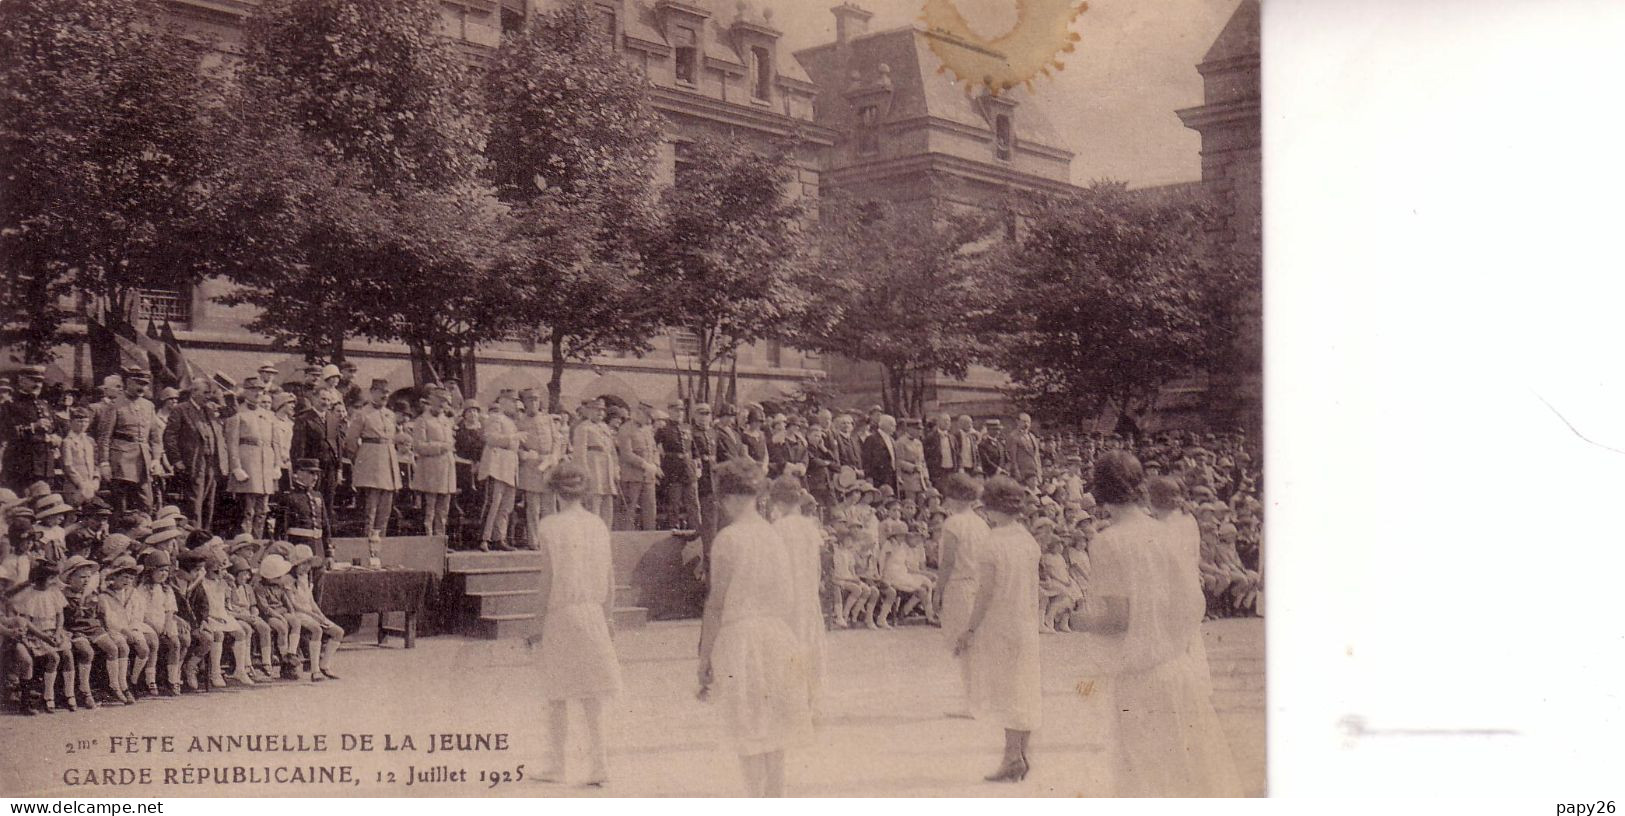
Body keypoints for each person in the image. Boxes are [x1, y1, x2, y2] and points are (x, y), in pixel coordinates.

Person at [1073, 451, 1243, 796]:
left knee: (1148, 780)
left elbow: (1118, 620)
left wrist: (1079, 621)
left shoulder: (1107, 541)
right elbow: (1194, 604)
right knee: (1191, 775)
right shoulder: (1167, 532)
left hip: (1140, 679)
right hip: (1179, 670)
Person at [697, 460, 812, 797]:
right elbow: (788, 596)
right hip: (778, 636)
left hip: (741, 637)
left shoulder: (727, 538)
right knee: (775, 725)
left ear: (729, 499)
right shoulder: (774, 536)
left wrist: (704, 658)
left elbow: (716, 605)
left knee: (747, 727)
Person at [528, 463, 622, 786]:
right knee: (593, 694)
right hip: (594, 613)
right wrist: (607, 616)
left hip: (562, 614)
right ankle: (601, 766)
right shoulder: (598, 524)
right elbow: (610, 579)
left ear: (554, 491)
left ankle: (557, 765)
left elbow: (547, 579)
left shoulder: (549, 526)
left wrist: (536, 624)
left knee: (557, 693)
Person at [952, 474, 1041, 783]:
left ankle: (1012, 757)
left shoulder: (993, 543)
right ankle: (1019, 754)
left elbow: (985, 593)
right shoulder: (1028, 540)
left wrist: (970, 629)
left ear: (990, 507)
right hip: (1026, 621)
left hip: (1001, 622)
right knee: (1024, 685)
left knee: (1007, 688)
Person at [767, 475, 826, 717]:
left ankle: (792, 704)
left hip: (786, 597)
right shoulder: (811, 528)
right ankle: (811, 702)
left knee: (788, 648)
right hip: (808, 595)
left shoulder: (776, 529)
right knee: (811, 646)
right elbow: (819, 567)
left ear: (777, 502)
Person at [96, 368, 163, 513]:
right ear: (128, 382)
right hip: (121, 461)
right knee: (121, 505)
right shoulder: (115, 405)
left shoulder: (148, 406)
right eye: (138, 383)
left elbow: (155, 437)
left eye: (145, 384)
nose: (142, 388)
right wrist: (104, 463)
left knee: (146, 503)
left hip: (143, 462)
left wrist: (156, 459)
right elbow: (104, 437)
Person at [165, 384, 228, 532]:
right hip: (193, 462)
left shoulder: (209, 410)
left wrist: (221, 394)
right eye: (205, 393)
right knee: (194, 503)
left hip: (211, 462)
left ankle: (204, 534)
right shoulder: (181, 409)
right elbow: (169, 437)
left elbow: (232, 410)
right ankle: (193, 536)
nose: (208, 396)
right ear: (194, 392)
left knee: (208, 503)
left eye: (210, 393)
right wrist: (176, 460)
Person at [346, 378, 403, 541]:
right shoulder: (362, 414)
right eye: (381, 392)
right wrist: (363, 460)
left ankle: (380, 546)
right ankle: (366, 546)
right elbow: (351, 442)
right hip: (370, 465)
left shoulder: (390, 415)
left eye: (387, 392)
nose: (385, 395)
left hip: (389, 464)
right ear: (372, 392)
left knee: (385, 510)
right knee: (369, 511)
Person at [224, 381, 277, 538]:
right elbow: (231, 443)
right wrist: (236, 467)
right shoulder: (238, 414)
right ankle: (245, 542)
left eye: (261, 390)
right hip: (248, 466)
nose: (258, 393)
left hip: (265, 467)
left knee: (262, 510)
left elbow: (275, 443)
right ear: (245, 392)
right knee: (247, 510)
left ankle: (258, 542)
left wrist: (277, 465)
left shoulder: (269, 416)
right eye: (254, 389)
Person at [1, 366, 59, 493]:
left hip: (44, 464)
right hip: (22, 466)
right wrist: (34, 426)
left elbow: (55, 429)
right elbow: (6, 433)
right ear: (21, 381)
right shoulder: (10, 405)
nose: (38, 384)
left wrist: (56, 438)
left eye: (40, 381)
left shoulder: (45, 405)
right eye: (33, 380)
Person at [477, 390, 521, 552]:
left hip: (509, 466)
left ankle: (498, 537)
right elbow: (490, 438)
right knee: (493, 503)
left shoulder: (512, 422)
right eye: (512, 401)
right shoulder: (495, 418)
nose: (515, 404)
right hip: (496, 465)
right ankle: (484, 538)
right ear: (502, 401)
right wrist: (512, 439)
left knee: (506, 506)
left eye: (516, 401)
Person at [514, 388, 558, 547]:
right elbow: (516, 445)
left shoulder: (548, 420)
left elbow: (557, 441)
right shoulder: (520, 422)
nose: (533, 403)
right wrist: (523, 454)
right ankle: (534, 541)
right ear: (524, 402)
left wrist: (554, 456)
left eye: (536, 399)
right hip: (531, 467)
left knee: (550, 507)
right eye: (530, 400)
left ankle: (550, 541)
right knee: (533, 508)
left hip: (548, 465)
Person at [571, 399, 620, 529]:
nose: (600, 412)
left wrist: (616, 469)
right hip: (594, 467)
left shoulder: (605, 427)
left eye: (602, 410)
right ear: (588, 411)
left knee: (607, 502)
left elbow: (612, 450)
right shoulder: (583, 428)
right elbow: (579, 454)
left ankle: (605, 532)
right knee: (594, 502)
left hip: (607, 469)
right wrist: (585, 473)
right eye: (596, 409)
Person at [615, 403, 661, 531]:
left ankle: (649, 538)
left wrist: (656, 465)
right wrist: (644, 464)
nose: (649, 420)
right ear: (639, 414)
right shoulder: (625, 429)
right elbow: (626, 454)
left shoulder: (647, 430)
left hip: (648, 477)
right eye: (647, 417)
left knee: (650, 511)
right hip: (632, 477)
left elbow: (654, 449)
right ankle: (627, 540)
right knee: (629, 511)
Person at [58, 408, 99, 507]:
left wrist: (96, 479)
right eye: (79, 421)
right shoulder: (67, 441)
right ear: (71, 422)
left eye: (86, 422)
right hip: (74, 486)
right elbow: (68, 466)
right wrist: (80, 483)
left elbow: (96, 462)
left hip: (90, 485)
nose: (83, 424)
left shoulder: (90, 441)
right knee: (74, 512)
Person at [860, 414, 899, 492]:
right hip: (878, 477)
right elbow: (866, 459)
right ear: (884, 425)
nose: (894, 428)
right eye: (892, 425)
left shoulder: (891, 439)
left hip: (892, 476)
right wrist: (868, 476)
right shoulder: (872, 439)